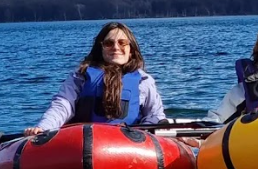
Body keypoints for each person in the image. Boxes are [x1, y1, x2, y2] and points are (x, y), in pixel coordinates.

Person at [23, 21, 166, 135]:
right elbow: (62, 105)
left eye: (122, 43)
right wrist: (44, 127)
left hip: (129, 143)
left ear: (131, 51)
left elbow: (154, 114)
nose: (116, 47)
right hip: (83, 141)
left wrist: (146, 134)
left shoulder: (144, 81)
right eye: (109, 43)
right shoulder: (80, 76)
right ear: (101, 49)